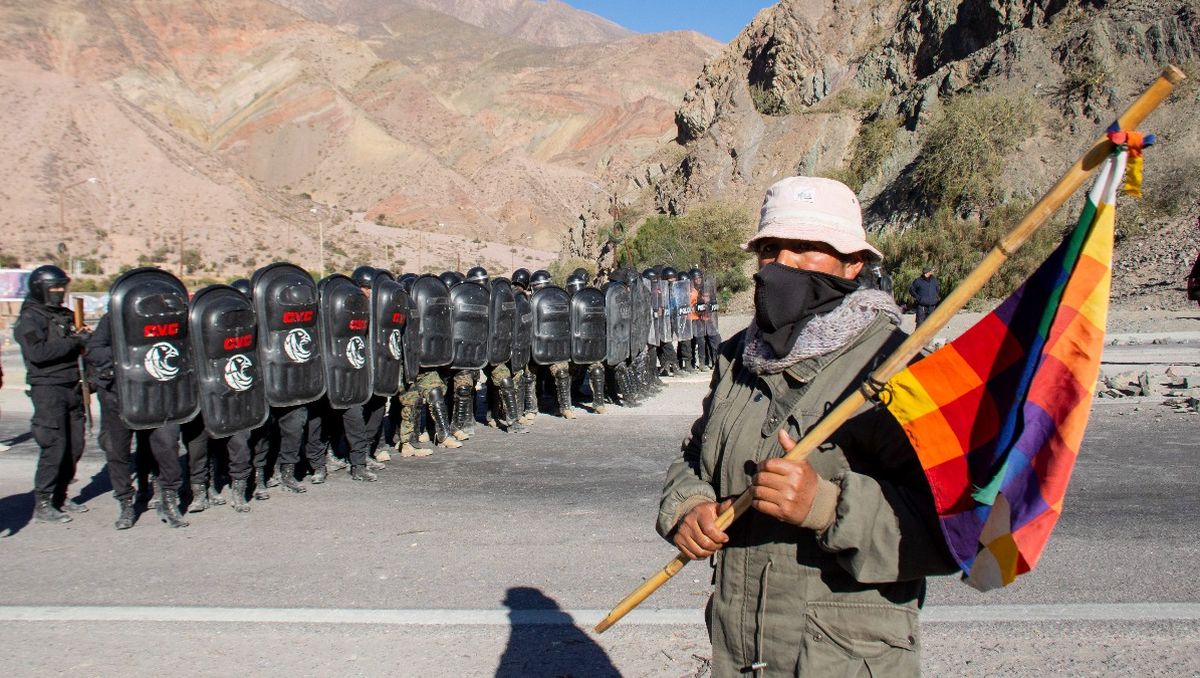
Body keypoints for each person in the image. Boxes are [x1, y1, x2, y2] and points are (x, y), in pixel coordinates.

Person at [657, 176, 957, 676]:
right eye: (771, 249)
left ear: (853, 263)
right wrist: (689, 509)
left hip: (840, 658)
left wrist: (826, 506)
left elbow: (952, 527)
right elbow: (695, 457)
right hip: (740, 650)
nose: (783, 265)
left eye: (806, 248)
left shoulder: (898, 367)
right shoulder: (737, 358)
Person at [87, 312, 190, 528]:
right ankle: (126, 503)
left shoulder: (168, 319)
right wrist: (131, 353)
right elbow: (94, 351)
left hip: (159, 392)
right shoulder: (113, 318)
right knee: (118, 450)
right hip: (120, 394)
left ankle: (169, 499)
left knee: (168, 445)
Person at [13, 265, 91, 524]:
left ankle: (61, 494)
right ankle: (44, 501)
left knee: (75, 445)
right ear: (40, 289)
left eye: (61, 287)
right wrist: (73, 342)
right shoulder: (30, 319)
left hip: (73, 385)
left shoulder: (66, 315)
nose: (59, 292)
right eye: (53, 288)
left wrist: (84, 339)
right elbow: (38, 353)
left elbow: (79, 343)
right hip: (48, 388)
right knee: (54, 447)